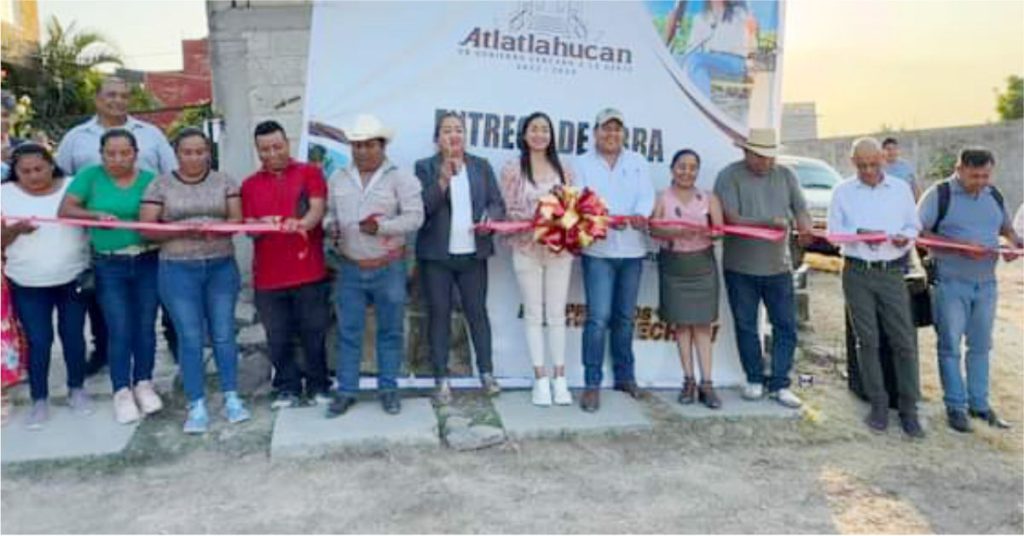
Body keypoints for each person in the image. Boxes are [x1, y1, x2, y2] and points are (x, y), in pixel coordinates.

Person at [55, 76, 178, 377]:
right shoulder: (76, 137)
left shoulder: (151, 134)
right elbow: (63, 181)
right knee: (106, 305)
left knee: (156, 301)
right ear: (97, 99)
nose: (117, 101)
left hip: (149, 240)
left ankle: (169, 347)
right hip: (96, 239)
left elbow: (171, 175)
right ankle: (104, 352)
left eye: (124, 95)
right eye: (110, 95)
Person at [138, 128, 250, 434]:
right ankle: (196, 403)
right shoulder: (160, 184)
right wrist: (182, 231)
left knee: (224, 334)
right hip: (177, 269)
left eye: (201, 151)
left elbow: (236, 221)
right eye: (188, 152)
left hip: (220, 267)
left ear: (208, 152)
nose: (195, 157)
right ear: (177, 153)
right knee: (190, 337)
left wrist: (217, 229)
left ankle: (232, 397)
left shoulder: (224, 181)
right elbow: (146, 228)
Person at [58, 129, 164, 424]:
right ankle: (121, 391)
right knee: (119, 328)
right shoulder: (90, 176)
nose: (118, 159)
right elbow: (65, 210)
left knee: (145, 326)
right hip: (109, 265)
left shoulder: (149, 180)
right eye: (111, 153)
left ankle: (144, 382)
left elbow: (163, 216)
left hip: (147, 260)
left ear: (135, 153)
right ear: (101, 154)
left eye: (125, 153)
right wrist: (95, 217)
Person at [324, 114, 423, 417]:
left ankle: (389, 389)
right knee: (348, 330)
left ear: (382, 145)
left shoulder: (401, 178)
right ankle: (346, 391)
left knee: (390, 331)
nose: (362, 151)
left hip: (388, 266)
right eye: (357, 145)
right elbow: (329, 214)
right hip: (350, 267)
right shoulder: (338, 177)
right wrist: (331, 226)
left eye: (368, 145)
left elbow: (415, 217)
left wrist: (381, 228)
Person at [919, 147, 1023, 433]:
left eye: (985, 176)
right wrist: (960, 248)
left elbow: (1006, 229)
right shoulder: (939, 195)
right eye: (974, 175)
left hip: (987, 284)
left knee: (981, 346)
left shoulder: (994, 195)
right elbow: (917, 233)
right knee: (950, 346)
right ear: (960, 168)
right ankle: (956, 407)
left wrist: (1014, 244)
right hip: (950, 284)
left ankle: (980, 406)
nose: (980, 181)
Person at [827, 137, 924, 438]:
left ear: (883, 159)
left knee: (903, 340)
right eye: (862, 165)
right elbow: (833, 234)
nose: (868, 170)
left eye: (873, 164)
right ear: (852, 162)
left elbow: (914, 226)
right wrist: (858, 234)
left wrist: (903, 239)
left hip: (892, 271)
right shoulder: (842, 192)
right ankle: (878, 404)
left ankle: (908, 409)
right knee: (866, 340)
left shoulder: (900, 189)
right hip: (857, 271)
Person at [713, 127, 811, 408]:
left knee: (786, 326)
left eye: (770, 157)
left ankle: (781, 383)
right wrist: (769, 222)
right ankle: (754, 378)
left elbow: (800, 208)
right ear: (746, 152)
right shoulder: (729, 176)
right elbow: (731, 218)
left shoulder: (786, 175)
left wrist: (804, 227)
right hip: (740, 267)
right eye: (760, 157)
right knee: (745, 326)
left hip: (779, 267)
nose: (766, 163)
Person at [415, 112, 506, 405]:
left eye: (458, 130)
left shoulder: (480, 166)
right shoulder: (425, 167)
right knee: (439, 314)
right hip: (437, 257)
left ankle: (487, 374)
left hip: (473, 254)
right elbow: (422, 209)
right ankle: (441, 379)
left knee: (477, 313)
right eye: (447, 131)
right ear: (437, 139)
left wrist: (488, 218)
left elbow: (497, 203)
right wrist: (443, 178)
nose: (454, 136)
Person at [241, 120, 331, 409]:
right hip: (268, 277)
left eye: (277, 147)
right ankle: (287, 388)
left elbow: (317, 210)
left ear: (288, 144)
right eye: (264, 149)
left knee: (314, 333)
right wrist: (262, 225)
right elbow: (248, 227)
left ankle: (319, 386)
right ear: (257, 151)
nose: (272, 154)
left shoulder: (310, 173)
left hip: (309, 272)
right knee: (278, 337)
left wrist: (300, 224)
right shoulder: (249, 185)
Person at [1, 144, 91, 429]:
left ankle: (77, 389)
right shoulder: (5, 194)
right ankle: (39, 399)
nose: (33, 176)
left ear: (51, 165)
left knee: (74, 336)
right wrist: (15, 231)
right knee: (39, 341)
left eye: (39, 168)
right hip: (28, 281)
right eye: (24, 171)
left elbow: (92, 222)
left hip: (72, 276)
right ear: (14, 172)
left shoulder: (74, 186)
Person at [574, 108, 655, 413]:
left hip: (632, 251)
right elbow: (580, 202)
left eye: (617, 129)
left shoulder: (637, 162)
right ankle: (591, 384)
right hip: (598, 252)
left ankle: (625, 377)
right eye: (606, 129)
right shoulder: (581, 163)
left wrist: (640, 216)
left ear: (624, 134)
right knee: (597, 319)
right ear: (595, 132)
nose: (611, 135)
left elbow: (646, 197)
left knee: (624, 318)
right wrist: (604, 220)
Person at [499, 111, 575, 407]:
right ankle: (540, 379)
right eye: (534, 129)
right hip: (526, 248)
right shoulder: (512, 169)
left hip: (559, 251)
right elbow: (510, 210)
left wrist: (560, 215)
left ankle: (560, 378)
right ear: (524, 134)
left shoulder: (565, 168)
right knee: (533, 313)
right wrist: (540, 214)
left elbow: (574, 207)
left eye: (545, 129)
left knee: (556, 314)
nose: (540, 134)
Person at [650, 148, 724, 409]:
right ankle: (688, 381)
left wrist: (706, 231)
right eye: (682, 166)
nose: (687, 172)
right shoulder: (662, 198)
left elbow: (720, 231)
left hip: (702, 266)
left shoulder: (709, 198)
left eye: (692, 167)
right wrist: (672, 230)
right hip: (674, 266)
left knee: (703, 325)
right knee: (682, 326)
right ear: (672, 169)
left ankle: (707, 383)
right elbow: (652, 228)